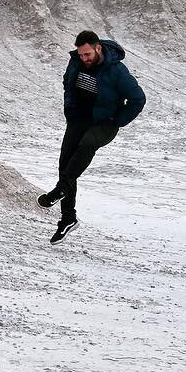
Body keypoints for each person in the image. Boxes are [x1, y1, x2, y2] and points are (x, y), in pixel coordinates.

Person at [38, 30, 146, 243]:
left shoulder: (117, 71)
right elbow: (67, 82)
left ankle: (60, 190)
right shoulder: (76, 61)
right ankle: (68, 219)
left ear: (98, 48)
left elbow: (138, 99)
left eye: (87, 54)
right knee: (67, 165)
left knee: (86, 145)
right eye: (81, 55)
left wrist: (117, 121)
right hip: (79, 119)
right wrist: (70, 108)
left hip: (105, 123)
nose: (84, 59)